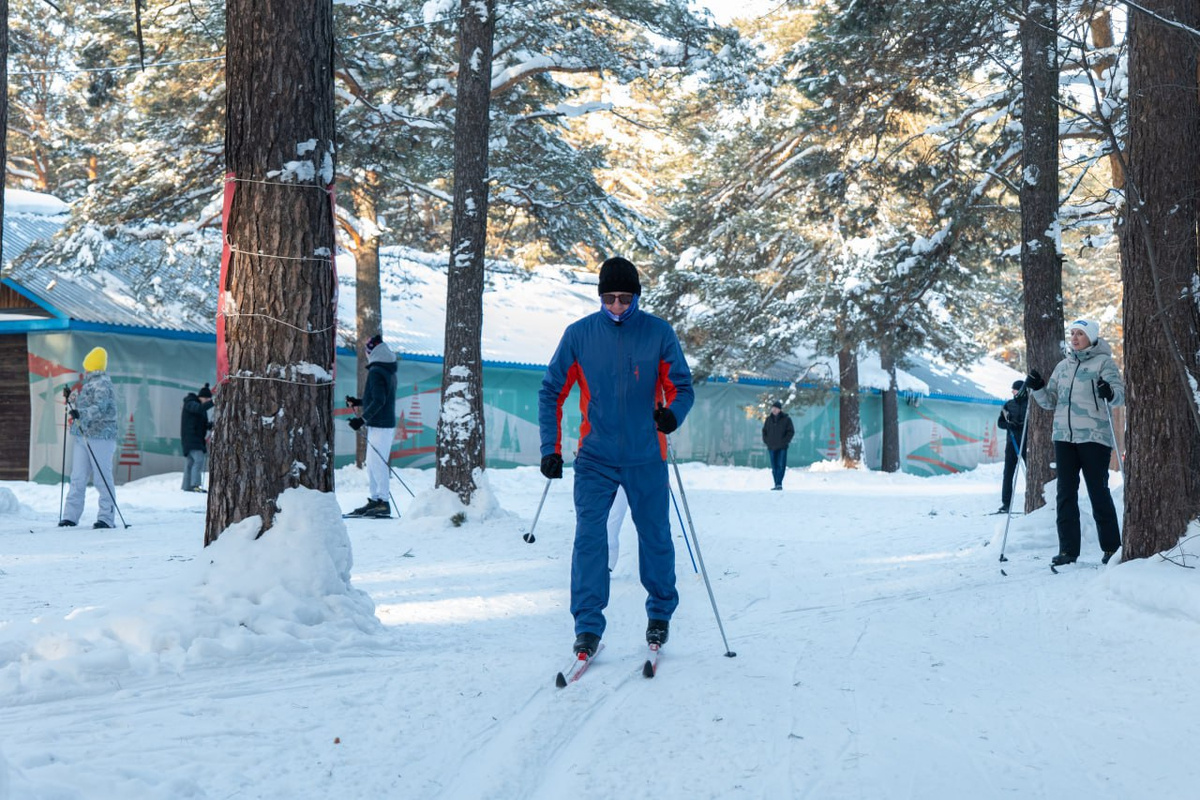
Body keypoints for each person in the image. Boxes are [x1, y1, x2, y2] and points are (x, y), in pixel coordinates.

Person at [539, 256, 694, 658]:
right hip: (596, 457)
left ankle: (660, 613)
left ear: (637, 296)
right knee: (590, 537)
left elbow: (681, 386)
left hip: (646, 455)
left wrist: (672, 414)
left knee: (655, 535)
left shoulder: (658, 333)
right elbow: (551, 392)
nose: (617, 307)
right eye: (609, 298)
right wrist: (549, 449)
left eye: (625, 298)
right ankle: (587, 626)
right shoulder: (579, 336)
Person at [1026, 318, 1124, 566]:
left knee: (1097, 492)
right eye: (1073, 333)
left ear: (1091, 337)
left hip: (1094, 437)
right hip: (1064, 437)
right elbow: (1050, 401)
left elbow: (1118, 396)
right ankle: (1068, 551)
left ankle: (1112, 547)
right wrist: (1038, 388)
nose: (1075, 338)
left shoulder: (1104, 363)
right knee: (1065, 494)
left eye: (1080, 333)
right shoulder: (1062, 367)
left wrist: (1109, 392)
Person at [60, 346, 120, 529]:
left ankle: (106, 518)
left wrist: (81, 412)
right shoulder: (88, 385)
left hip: (101, 436)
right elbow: (81, 407)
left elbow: (100, 408)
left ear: (92, 366)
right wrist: (71, 399)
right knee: (77, 476)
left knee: (102, 477)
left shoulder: (103, 384)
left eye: (86, 365)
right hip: (83, 435)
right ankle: (70, 516)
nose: (84, 369)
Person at [346, 334, 398, 519]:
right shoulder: (385, 370)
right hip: (381, 424)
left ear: (373, 352)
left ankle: (383, 502)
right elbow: (377, 398)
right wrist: (358, 402)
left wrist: (362, 420)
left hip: (381, 425)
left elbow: (379, 400)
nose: (366, 354)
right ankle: (376, 500)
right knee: (372, 464)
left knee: (377, 463)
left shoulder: (377, 371)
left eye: (367, 351)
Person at [996, 379, 1028, 513]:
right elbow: (1000, 423)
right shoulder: (1008, 405)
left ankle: (1034, 501)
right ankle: (1006, 503)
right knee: (1008, 473)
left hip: (1027, 444)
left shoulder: (1030, 405)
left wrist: (1023, 426)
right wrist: (1009, 425)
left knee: (1031, 473)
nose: (1012, 392)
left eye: (1014, 389)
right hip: (1012, 443)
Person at [180, 382, 214, 492]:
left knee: (190, 463)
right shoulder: (190, 402)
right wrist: (213, 403)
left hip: (193, 439)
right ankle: (195, 485)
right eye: (208, 400)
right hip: (192, 438)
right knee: (198, 460)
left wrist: (209, 425)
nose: (208, 402)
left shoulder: (198, 407)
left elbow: (201, 423)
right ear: (202, 397)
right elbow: (198, 409)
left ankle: (187, 486)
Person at [762, 400, 795, 490]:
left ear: (780, 409)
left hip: (782, 447)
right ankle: (776, 483)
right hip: (771, 446)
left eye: (776, 408)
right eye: (773, 408)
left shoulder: (786, 419)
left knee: (781, 465)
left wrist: (785, 441)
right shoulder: (768, 420)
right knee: (774, 466)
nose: (774, 410)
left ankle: (779, 483)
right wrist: (767, 441)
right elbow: (764, 431)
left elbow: (791, 431)